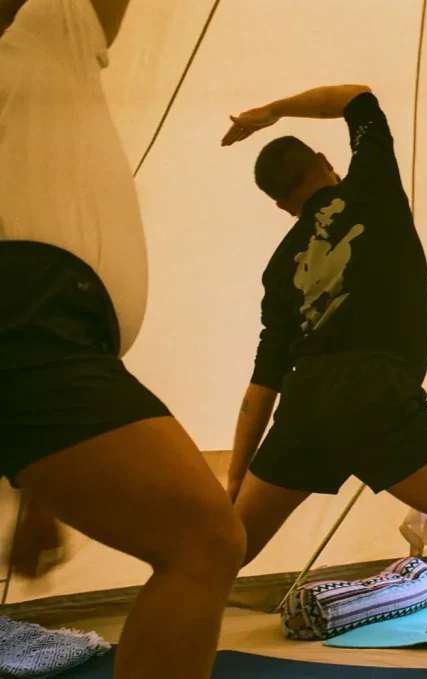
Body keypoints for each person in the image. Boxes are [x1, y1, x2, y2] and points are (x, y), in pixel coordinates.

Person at [220, 84, 427, 679]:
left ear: (281, 206)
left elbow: (263, 383)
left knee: (215, 555)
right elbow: (358, 96)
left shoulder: (280, 267)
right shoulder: (371, 187)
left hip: (304, 408)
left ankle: (164, 660)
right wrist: (272, 112)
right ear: (325, 163)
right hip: (377, 401)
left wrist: (236, 479)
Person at [0, 1, 247, 678]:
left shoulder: (51, 30)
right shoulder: (41, 29)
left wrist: (39, 496)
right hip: (35, 312)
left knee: (203, 539)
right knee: (202, 538)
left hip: (54, 331)